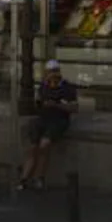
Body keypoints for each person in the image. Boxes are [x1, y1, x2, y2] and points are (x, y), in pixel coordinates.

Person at [18, 59, 78, 191]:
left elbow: (73, 107)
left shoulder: (67, 88)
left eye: (55, 72)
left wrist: (56, 105)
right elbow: (38, 104)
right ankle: (24, 178)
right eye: (50, 72)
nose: (52, 75)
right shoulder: (43, 87)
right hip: (43, 118)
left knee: (44, 145)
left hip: (58, 120)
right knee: (33, 148)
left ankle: (39, 177)